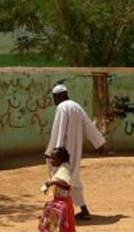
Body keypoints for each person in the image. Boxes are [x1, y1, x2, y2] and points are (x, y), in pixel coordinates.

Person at [44, 84, 106, 220]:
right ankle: (83, 210)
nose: (55, 101)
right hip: (75, 151)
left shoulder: (61, 108)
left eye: (55, 98)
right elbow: (89, 125)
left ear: (59, 96)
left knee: (59, 179)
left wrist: (51, 151)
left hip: (61, 153)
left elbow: (57, 132)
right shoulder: (77, 106)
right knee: (73, 179)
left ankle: (57, 213)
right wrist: (99, 143)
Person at [38, 146, 76, 232]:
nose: (51, 160)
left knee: (61, 226)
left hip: (63, 203)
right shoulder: (58, 169)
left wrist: (53, 183)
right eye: (51, 157)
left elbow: (67, 186)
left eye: (54, 158)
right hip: (60, 201)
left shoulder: (64, 170)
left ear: (61, 159)